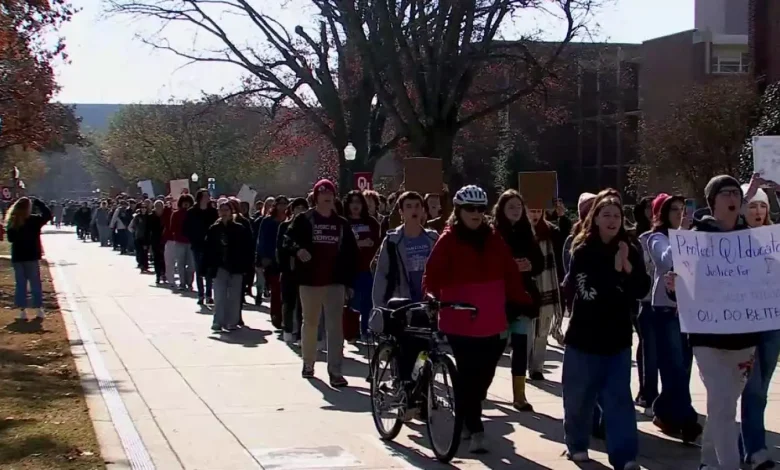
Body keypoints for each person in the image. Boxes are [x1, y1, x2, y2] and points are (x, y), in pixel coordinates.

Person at [423, 185, 532, 453]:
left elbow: (509, 273)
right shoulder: (447, 239)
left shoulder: (494, 239)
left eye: (481, 209)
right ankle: (476, 428)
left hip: (492, 318)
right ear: (458, 211)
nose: (475, 213)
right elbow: (432, 273)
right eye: (470, 209)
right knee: (469, 373)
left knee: (485, 374)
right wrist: (429, 295)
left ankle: (466, 412)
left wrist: (525, 299)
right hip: (458, 317)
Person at [666, 175, 761, 470]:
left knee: (723, 405)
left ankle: (708, 461)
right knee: (722, 403)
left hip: (744, 339)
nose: (733, 198)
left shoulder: (753, 241)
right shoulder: (695, 239)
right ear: (713, 202)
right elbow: (681, 282)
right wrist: (674, 286)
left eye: (736, 192)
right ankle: (729, 465)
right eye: (725, 193)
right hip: (707, 338)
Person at [561, 190, 650, 470]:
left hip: (617, 340)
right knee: (578, 399)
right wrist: (616, 271)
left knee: (618, 400)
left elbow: (641, 289)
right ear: (595, 219)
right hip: (583, 339)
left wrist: (626, 266)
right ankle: (576, 444)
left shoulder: (630, 248)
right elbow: (590, 292)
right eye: (606, 214)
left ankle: (624, 457)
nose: (612, 220)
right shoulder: (583, 249)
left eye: (617, 215)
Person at [283, 179, 358, 387]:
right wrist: (299, 250)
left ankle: (335, 371)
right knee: (311, 323)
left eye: (330, 194)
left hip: (335, 282)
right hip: (310, 281)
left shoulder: (341, 224)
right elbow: (287, 240)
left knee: (335, 328)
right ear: (315, 197)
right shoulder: (304, 219)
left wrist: (349, 283)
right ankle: (308, 363)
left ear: (334, 197)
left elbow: (351, 254)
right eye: (322, 194)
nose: (326, 197)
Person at [640, 193, 701, 443]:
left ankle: (664, 411)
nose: (680, 213)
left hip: (690, 309)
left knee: (683, 367)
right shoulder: (656, 238)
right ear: (664, 214)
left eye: (683, 209)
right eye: (674, 209)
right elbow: (665, 262)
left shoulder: (693, 235)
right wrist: (682, 236)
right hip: (666, 309)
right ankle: (687, 419)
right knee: (673, 365)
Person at [738, 184, 779, 470]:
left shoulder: (775, 238)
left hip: (772, 323)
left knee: (761, 390)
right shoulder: (733, 238)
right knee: (751, 389)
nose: (757, 211)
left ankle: (748, 446)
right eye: (751, 205)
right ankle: (755, 450)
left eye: (762, 205)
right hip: (743, 325)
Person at [492, 189, 543, 412]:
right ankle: (482, 384)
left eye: (518, 207)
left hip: (522, 297)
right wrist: (511, 267)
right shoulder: (493, 233)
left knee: (521, 345)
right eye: (510, 206)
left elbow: (539, 262)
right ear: (501, 209)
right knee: (495, 346)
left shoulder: (528, 233)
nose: (515, 210)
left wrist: (530, 265)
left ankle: (519, 395)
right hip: (499, 299)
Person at [372, 191, 438, 307]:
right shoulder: (392, 240)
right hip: (401, 303)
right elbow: (381, 275)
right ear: (401, 212)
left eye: (417, 206)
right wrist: (379, 306)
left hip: (429, 303)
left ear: (423, 210)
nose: (414, 210)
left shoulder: (432, 238)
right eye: (409, 206)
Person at [526, 203, 564, 378]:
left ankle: (537, 368)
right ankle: (523, 362)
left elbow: (562, 242)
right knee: (527, 330)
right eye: (532, 210)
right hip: (526, 284)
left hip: (547, 284)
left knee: (543, 328)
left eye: (538, 210)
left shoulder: (550, 231)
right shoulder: (519, 231)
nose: (535, 214)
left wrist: (560, 216)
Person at [204, 198, 254, 332]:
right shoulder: (214, 229)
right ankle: (218, 321)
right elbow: (208, 249)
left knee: (234, 295)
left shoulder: (239, 228)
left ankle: (232, 321)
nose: (224, 213)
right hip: (219, 266)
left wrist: (247, 267)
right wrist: (208, 268)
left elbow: (247, 248)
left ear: (232, 212)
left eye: (227, 210)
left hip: (236, 266)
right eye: (222, 210)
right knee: (219, 295)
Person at [5, 197, 52, 321]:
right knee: (35, 283)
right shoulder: (34, 220)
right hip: (32, 255)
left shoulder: (13, 221)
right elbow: (47, 215)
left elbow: (10, 239)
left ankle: (22, 310)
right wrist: (39, 203)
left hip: (18, 256)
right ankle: (38, 309)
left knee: (21, 284)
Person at [343, 190, 380, 339]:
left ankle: (366, 330)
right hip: (349, 268)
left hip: (368, 268)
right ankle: (350, 332)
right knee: (351, 302)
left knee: (367, 302)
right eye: (352, 202)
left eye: (358, 202)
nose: (355, 206)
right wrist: (358, 243)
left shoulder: (371, 222)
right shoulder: (344, 222)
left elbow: (378, 243)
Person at [276, 197, 309, 343]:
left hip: (304, 270)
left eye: (303, 208)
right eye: (297, 208)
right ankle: (287, 329)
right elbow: (280, 248)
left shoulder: (310, 227)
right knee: (288, 301)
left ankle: (301, 334)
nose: (300, 211)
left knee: (303, 303)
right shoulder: (284, 226)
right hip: (288, 269)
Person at [257, 196, 289, 329]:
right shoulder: (268, 221)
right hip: (271, 259)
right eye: (280, 204)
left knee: (285, 290)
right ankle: (276, 316)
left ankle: (285, 316)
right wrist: (262, 257)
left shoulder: (290, 221)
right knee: (276, 289)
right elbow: (262, 239)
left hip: (286, 259)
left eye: (285, 204)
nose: (283, 207)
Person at [184, 189, 218, 305]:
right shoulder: (192, 212)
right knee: (199, 270)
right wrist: (193, 239)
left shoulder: (213, 212)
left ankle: (209, 295)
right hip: (197, 245)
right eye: (205, 196)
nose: (208, 198)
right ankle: (201, 294)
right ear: (200, 198)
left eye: (208, 196)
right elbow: (186, 228)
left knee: (209, 271)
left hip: (209, 245)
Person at [167, 194, 196, 290]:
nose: (186, 203)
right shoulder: (176, 214)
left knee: (191, 265)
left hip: (192, 242)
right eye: (184, 202)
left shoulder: (193, 214)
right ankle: (182, 283)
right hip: (179, 241)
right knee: (180, 263)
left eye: (188, 201)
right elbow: (172, 227)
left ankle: (190, 282)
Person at [128, 203, 151, 273]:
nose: (143, 209)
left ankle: (145, 265)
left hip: (146, 237)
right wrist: (134, 232)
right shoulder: (137, 217)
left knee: (145, 252)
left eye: (145, 207)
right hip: (138, 237)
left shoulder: (149, 217)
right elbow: (131, 226)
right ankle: (141, 265)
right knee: (140, 252)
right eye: (142, 207)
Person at [148, 200, 167, 284]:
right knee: (157, 259)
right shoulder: (151, 217)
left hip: (165, 239)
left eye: (161, 206)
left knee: (165, 258)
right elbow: (148, 230)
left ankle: (164, 273)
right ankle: (158, 275)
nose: (159, 207)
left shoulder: (166, 215)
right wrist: (148, 244)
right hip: (155, 240)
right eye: (157, 206)